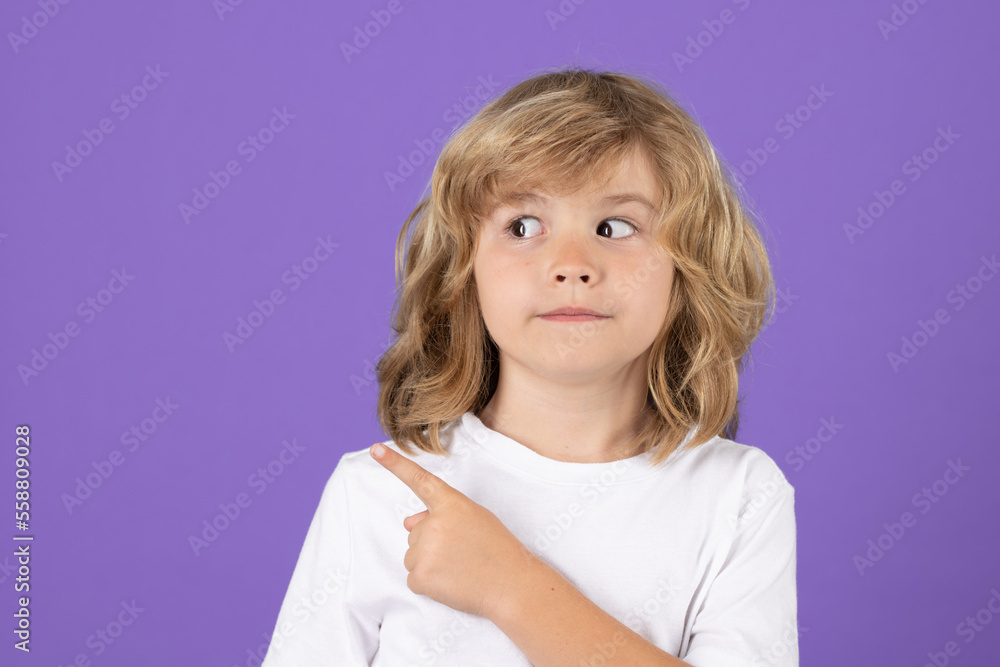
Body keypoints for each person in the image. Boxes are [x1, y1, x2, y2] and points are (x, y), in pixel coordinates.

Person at [260, 67, 798, 666]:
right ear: (463, 268)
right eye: (523, 227)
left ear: (688, 267)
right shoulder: (375, 493)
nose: (571, 264)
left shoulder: (740, 496)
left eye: (615, 227)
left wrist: (508, 586)